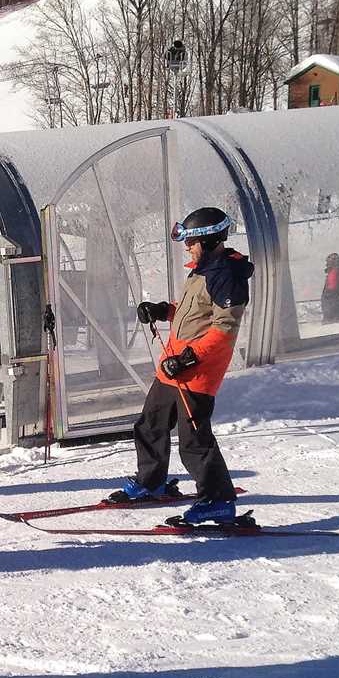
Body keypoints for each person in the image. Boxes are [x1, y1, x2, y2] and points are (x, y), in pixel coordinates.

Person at [110, 207, 253, 524]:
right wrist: (163, 310)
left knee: (194, 442)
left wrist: (188, 358)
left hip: (197, 372)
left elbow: (224, 328)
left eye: (191, 241)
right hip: (173, 366)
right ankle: (151, 482)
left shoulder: (227, 277)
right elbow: (193, 312)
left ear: (209, 239)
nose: (187, 247)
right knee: (150, 424)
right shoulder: (202, 270)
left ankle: (218, 501)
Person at [321, 252, 339, 323]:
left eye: (328, 261)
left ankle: (331, 319)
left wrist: (327, 295)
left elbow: (333, 287)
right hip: (335, 301)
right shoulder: (338, 271)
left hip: (333, 303)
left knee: (333, 322)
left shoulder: (336, 271)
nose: (327, 264)